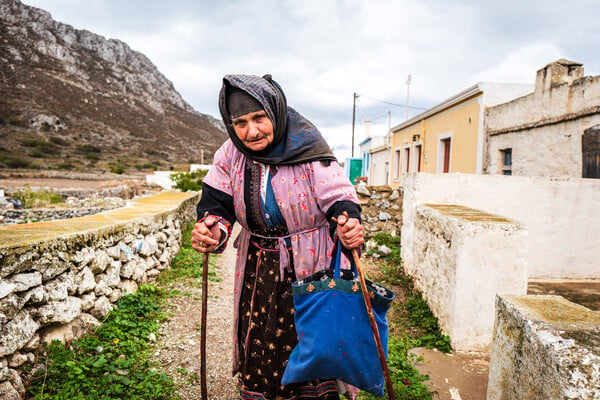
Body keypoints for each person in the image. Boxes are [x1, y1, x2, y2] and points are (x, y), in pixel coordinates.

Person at [191, 74, 364, 400]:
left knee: (311, 344)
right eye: (240, 122)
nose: (251, 131)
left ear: (275, 110)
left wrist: (347, 220)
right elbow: (217, 203)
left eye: (259, 118)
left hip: (311, 265)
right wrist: (211, 229)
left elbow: (338, 196)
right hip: (258, 269)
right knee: (261, 343)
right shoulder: (230, 154)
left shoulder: (307, 144)